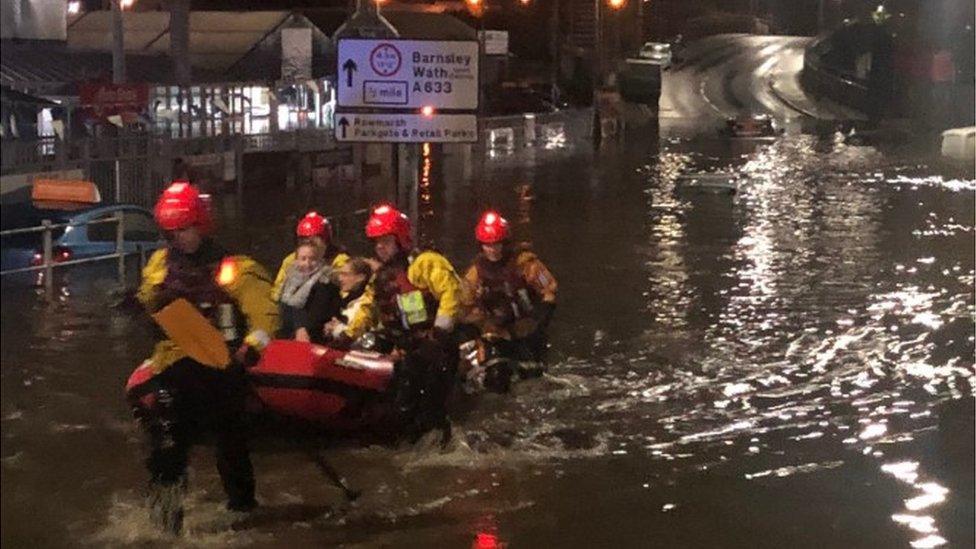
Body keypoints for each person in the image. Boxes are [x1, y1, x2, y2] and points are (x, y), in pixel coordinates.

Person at [128, 181, 278, 534]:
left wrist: (251, 347)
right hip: (175, 364)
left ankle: (243, 511)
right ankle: (164, 523)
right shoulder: (160, 264)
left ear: (201, 225)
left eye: (185, 229)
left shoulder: (236, 268)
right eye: (173, 231)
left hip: (222, 369)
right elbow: (149, 298)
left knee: (231, 444)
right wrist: (136, 303)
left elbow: (265, 314)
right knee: (167, 441)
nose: (179, 237)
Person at [341, 204, 462, 438]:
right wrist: (347, 335)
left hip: (436, 347)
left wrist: (439, 331)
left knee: (429, 409)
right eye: (377, 243)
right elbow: (368, 306)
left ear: (400, 239)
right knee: (404, 405)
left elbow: (451, 291)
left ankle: (437, 440)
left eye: (385, 242)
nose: (380, 248)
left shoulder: (424, 263)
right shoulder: (382, 276)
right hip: (409, 347)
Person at [461, 210, 557, 375]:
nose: (492, 250)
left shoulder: (525, 264)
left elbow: (549, 290)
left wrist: (539, 323)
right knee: (496, 376)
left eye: (496, 244)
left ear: (504, 242)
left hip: (527, 330)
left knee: (532, 375)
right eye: (487, 245)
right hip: (497, 334)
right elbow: (465, 305)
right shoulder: (476, 273)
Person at [271, 211, 348, 302]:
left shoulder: (340, 261)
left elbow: (346, 291)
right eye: (305, 240)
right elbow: (277, 291)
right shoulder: (291, 260)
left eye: (315, 240)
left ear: (326, 240)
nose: (309, 244)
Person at [277, 236, 334, 342]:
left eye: (312, 259)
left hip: (312, 340)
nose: (307, 264)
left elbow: (316, 317)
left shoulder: (323, 283)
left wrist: (300, 327)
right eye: (303, 259)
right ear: (296, 260)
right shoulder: (290, 281)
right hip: (288, 337)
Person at [320, 257, 372, 343]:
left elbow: (354, 336)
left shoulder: (367, 303)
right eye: (340, 274)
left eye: (345, 274)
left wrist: (337, 329)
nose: (340, 278)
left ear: (360, 277)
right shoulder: (342, 298)